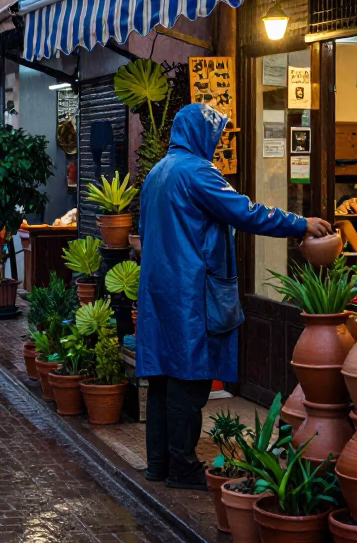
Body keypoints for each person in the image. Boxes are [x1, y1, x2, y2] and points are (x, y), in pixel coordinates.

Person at [136, 103, 333, 490]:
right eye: (216, 135)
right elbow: (246, 212)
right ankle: (182, 466)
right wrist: (300, 224)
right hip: (189, 292)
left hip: (159, 291)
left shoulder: (158, 173)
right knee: (188, 380)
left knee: (162, 377)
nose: (218, 141)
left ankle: (158, 464)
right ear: (199, 134)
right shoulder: (197, 173)